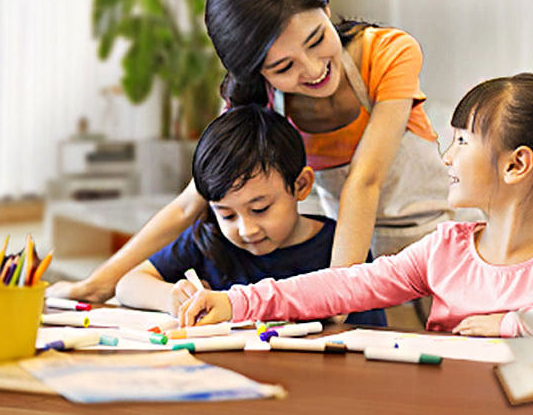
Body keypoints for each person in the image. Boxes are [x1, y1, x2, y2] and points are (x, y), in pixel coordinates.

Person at [48, 0, 450, 304]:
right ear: (256, 71)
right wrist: (97, 284)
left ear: (327, 11)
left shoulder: (388, 53)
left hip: (429, 248)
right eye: (283, 66)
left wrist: (335, 300)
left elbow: (364, 180)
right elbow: (192, 202)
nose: (312, 69)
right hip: (346, 253)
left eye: (316, 40)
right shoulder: (258, 99)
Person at [179, 74, 533, 337]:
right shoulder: (445, 249)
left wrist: (511, 323)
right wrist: (236, 301)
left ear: (516, 165)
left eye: (462, 140)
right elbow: (346, 286)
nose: (447, 155)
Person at [115, 105, 386, 326]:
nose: (246, 230)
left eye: (260, 209)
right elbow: (128, 284)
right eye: (227, 215)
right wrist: (170, 298)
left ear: (301, 185)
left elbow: (367, 334)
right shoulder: (208, 240)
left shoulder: (340, 251)